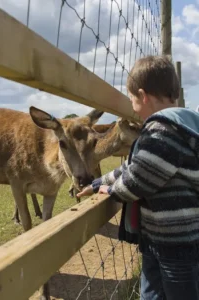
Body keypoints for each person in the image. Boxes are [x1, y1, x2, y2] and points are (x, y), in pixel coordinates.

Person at [77, 55, 199, 300]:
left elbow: (138, 180)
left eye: (131, 99)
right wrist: (100, 182)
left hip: (177, 244)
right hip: (158, 238)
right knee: (151, 293)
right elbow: (134, 167)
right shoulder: (170, 128)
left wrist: (111, 192)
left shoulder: (163, 132)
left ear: (143, 96)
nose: (131, 106)